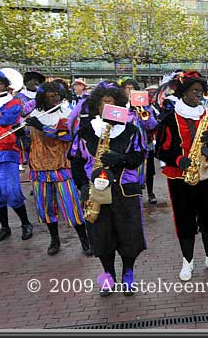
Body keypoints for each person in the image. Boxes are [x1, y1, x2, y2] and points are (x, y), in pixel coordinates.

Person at [68, 82, 147, 296]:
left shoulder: (130, 130)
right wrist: (83, 185)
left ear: (120, 106)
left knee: (129, 236)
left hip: (125, 192)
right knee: (102, 238)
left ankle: (128, 274)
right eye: (104, 103)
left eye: (112, 102)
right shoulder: (85, 131)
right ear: (96, 106)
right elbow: (75, 162)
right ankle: (108, 276)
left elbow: (139, 157)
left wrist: (122, 159)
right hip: (96, 194)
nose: (108, 106)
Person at [155, 71, 208, 281]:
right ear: (184, 93)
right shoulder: (169, 119)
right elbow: (160, 149)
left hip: (205, 174)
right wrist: (177, 159)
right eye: (194, 91)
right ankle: (187, 262)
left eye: (200, 91)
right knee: (184, 220)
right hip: (180, 177)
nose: (199, 95)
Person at [25, 82, 91, 256]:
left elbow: (67, 136)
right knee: (45, 207)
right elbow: (27, 141)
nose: (55, 99)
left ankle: (85, 241)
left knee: (72, 206)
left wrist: (41, 127)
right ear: (42, 98)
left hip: (62, 166)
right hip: (39, 168)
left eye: (57, 95)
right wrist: (20, 134)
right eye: (50, 96)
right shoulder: (33, 115)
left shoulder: (68, 114)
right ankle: (54, 239)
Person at [0, 70, 34, 243]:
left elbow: (6, 120)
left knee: (11, 191)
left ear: (5, 85)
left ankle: (25, 223)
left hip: (5, 150)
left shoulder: (13, 101)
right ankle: (5, 227)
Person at [120, 78, 158, 200]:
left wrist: (143, 109)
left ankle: (150, 193)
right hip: (125, 144)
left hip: (143, 143)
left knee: (149, 169)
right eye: (127, 88)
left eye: (132, 88)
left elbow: (152, 125)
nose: (130, 91)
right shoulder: (119, 104)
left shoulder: (144, 106)